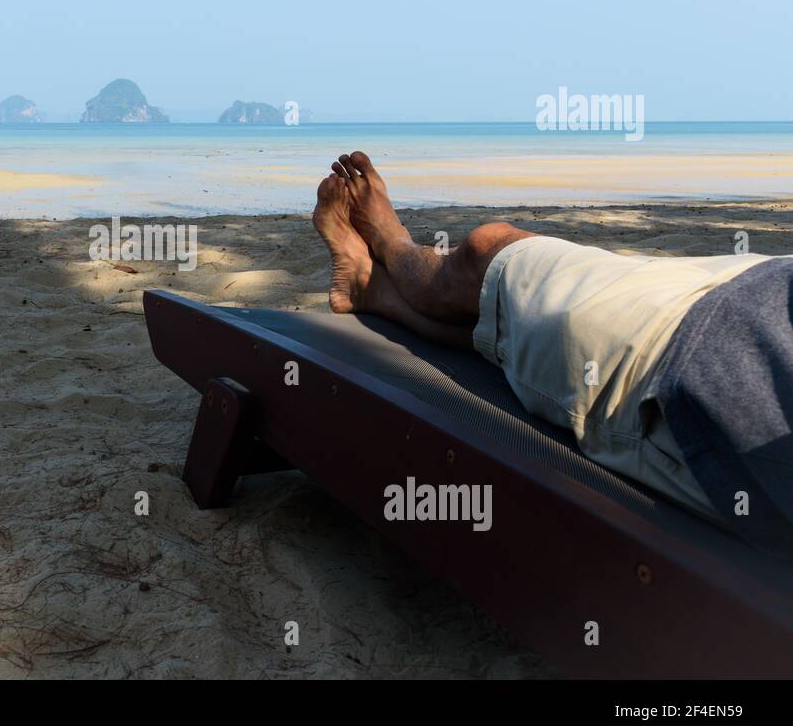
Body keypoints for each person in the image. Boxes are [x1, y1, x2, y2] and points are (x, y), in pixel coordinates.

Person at [313, 151, 793, 557]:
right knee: (512, 313)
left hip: (706, 357)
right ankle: (379, 293)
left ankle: (391, 243)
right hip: (754, 294)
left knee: (491, 250)